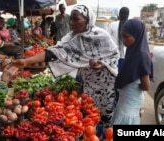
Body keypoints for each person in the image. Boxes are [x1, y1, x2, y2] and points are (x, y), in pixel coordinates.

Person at [11, 4, 119, 137]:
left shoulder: (102, 36)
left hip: (105, 84)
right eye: (71, 19)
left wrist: (102, 63)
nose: (72, 22)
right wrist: (26, 61)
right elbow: (54, 52)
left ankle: (104, 136)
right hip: (89, 83)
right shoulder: (72, 38)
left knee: (105, 116)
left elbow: (115, 55)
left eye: (76, 19)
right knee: (89, 114)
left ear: (88, 20)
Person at [112, 19, 153, 125]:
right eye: (122, 36)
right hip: (125, 99)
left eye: (126, 36)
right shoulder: (132, 50)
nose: (123, 40)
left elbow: (146, 86)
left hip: (131, 100)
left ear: (137, 35)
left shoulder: (141, 55)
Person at [108, 7, 129, 71]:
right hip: (125, 55)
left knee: (113, 73)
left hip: (113, 54)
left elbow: (107, 39)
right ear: (128, 15)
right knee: (122, 75)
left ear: (119, 14)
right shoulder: (129, 25)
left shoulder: (112, 24)